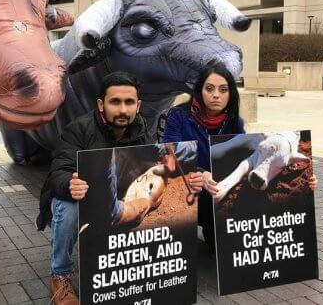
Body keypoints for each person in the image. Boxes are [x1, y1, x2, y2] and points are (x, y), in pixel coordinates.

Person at [36, 71, 201, 305]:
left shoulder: (141, 129)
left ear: (138, 105)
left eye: (129, 102)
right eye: (115, 102)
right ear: (101, 104)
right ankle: (60, 275)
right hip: (79, 197)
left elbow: (159, 154)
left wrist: (170, 157)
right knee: (68, 205)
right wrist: (69, 184)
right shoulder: (79, 129)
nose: (123, 110)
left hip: (112, 198)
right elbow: (59, 170)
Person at [161, 63, 318, 251]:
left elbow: (248, 158)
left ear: (231, 93)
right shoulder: (178, 116)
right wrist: (201, 174)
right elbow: (171, 154)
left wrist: (309, 180)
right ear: (199, 90)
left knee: (220, 247)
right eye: (209, 89)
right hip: (189, 186)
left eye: (223, 89)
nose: (216, 95)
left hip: (214, 190)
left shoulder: (235, 122)